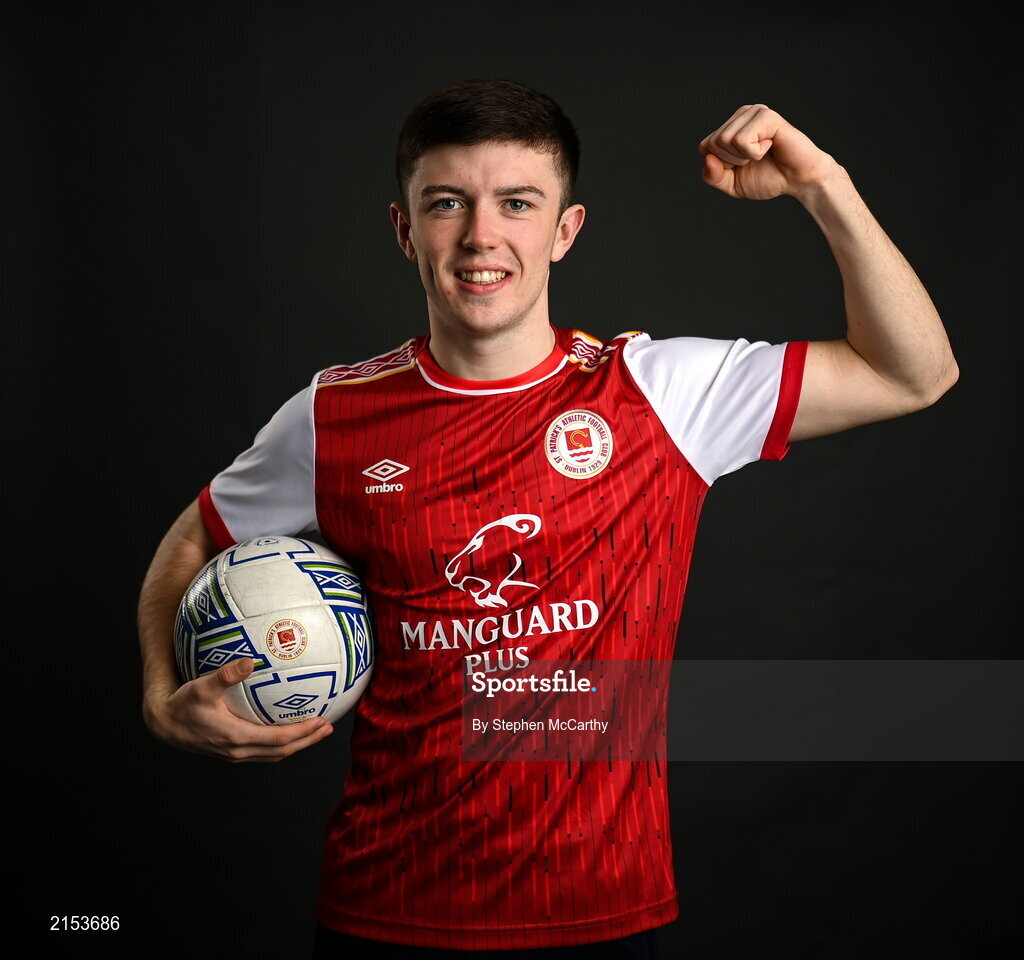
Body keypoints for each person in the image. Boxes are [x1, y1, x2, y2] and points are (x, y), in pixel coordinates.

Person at [138, 79, 958, 957]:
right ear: (405, 230)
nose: (481, 236)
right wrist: (159, 696)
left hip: (603, 912)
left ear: (564, 231)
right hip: (384, 909)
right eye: (446, 203)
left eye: (517, 203)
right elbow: (194, 537)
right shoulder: (331, 417)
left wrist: (822, 184)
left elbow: (914, 373)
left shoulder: (659, 395)